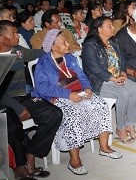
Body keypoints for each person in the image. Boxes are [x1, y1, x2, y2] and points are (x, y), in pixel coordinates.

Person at [32, 29, 121, 175]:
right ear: (53, 47)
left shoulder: (70, 58)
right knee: (73, 113)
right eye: (64, 42)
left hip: (78, 92)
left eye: (67, 41)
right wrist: (68, 94)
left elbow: (82, 75)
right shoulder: (44, 62)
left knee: (101, 105)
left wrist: (86, 88)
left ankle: (104, 148)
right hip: (59, 96)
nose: (68, 44)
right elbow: (42, 87)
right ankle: (74, 161)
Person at [0, 20, 62, 179]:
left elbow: (37, 53)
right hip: (4, 101)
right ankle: (19, 166)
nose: (17, 36)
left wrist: (54, 50)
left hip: (23, 96)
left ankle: (31, 154)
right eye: (13, 33)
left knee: (54, 114)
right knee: (12, 126)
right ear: (1, 38)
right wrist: (17, 107)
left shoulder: (18, 51)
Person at [82, 17, 136, 143]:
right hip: (98, 82)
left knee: (135, 88)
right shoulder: (90, 46)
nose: (113, 28)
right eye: (109, 26)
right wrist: (113, 78)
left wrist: (123, 73)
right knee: (123, 92)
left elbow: (123, 60)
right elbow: (94, 69)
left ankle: (130, 124)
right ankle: (120, 128)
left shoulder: (113, 42)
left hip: (116, 77)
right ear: (99, 29)